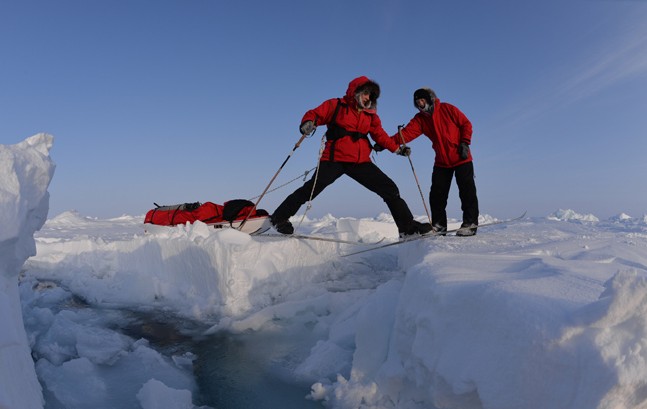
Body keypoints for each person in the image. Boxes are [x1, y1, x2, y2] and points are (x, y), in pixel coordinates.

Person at [270, 76, 432, 237]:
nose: (368, 97)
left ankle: (408, 229)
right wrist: (308, 122)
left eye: (371, 95)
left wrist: (397, 149)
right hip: (334, 160)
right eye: (365, 93)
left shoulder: (371, 116)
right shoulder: (336, 105)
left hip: (360, 162)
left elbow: (380, 136)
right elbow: (315, 114)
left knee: (389, 189)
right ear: (356, 91)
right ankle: (279, 218)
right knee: (310, 190)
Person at [383, 87, 479, 236]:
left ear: (430, 99)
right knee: (436, 195)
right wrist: (384, 143)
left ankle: (470, 224)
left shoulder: (447, 108)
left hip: (461, 157)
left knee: (467, 192)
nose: (420, 104)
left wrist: (465, 143)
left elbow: (466, 124)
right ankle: (439, 226)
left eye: (422, 100)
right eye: (417, 102)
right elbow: (405, 134)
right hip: (441, 162)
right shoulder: (420, 119)